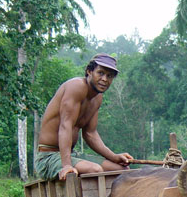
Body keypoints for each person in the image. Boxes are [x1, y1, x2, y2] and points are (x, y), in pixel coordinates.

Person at [35, 53, 134, 181]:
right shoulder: (76, 87)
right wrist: (66, 166)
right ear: (89, 72)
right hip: (49, 157)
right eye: (101, 73)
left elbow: (90, 134)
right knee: (95, 170)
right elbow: (66, 126)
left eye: (109, 76)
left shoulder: (97, 98)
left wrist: (114, 156)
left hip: (72, 155)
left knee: (122, 170)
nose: (105, 79)